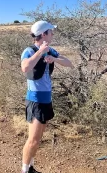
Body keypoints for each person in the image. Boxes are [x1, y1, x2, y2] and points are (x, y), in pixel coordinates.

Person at [20, 20, 73, 173]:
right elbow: (25, 67)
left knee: (37, 140)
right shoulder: (29, 50)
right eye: (50, 31)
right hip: (35, 99)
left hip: (46, 99)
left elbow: (69, 63)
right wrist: (40, 52)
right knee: (33, 140)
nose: (52, 34)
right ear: (43, 34)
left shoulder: (51, 50)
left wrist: (53, 59)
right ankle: (25, 170)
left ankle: (30, 167)